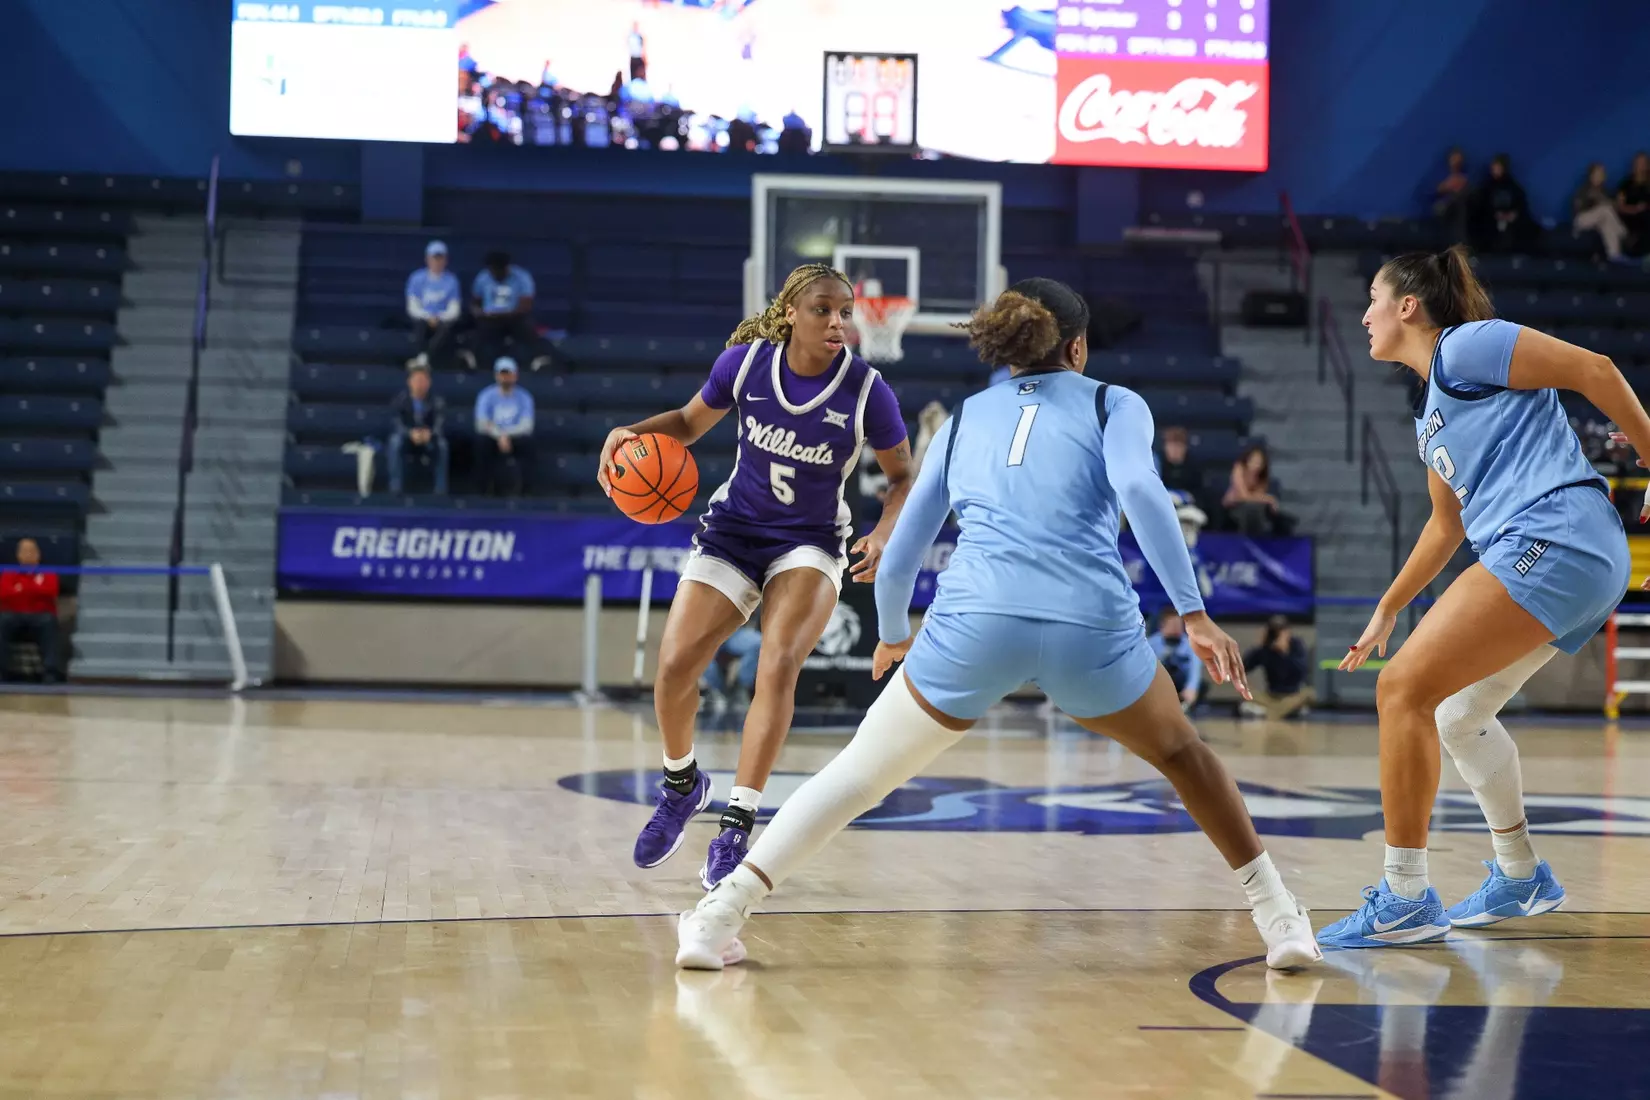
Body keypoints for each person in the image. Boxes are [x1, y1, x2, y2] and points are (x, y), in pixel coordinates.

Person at [674, 277, 1320, 972]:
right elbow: (1139, 489)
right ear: (1077, 346)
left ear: (1009, 346)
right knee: (1184, 755)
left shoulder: (962, 417)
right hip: (1089, 627)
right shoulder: (1114, 402)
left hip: (975, 624)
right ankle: (1279, 919)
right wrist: (1193, 612)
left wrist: (893, 632)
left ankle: (718, 919)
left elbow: (898, 557)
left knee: (858, 775)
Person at [1318, 244, 1645, 950]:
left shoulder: (1467, 346)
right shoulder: (1430, 411)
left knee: (1402, 690)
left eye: (1373, 298)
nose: (1364, 314)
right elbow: (1447, 525)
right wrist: (1390, 605)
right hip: (1562, 553)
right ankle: (1521, 874)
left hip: (1556, 534)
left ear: (1408, 305)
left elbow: (1598, 370)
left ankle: (1403, 895)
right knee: (1459, 716)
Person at [596, 263, 914, 890]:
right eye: (824, 309)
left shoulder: (867, 390)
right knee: (674, 666)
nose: (838, 322)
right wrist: (631, 433)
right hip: (735, 528)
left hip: (810, 541)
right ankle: (681, 785)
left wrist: (882, 532)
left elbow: (903, 478)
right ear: (792, 312)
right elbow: (689, 424)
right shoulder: (744, 364)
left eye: (846, 313)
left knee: (777, 663)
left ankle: (738, 821)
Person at [471, 251, 553, 372]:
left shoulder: (522, 277)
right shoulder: (483, 277)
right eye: (493, 270)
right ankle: (475, 362)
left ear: (506, 267)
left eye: (499, 270)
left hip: (514, 318)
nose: (495, 273)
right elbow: (475, 302)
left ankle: (540, 359)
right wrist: (479, 312)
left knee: (527, 327)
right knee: (478, 331)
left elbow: (526, 306)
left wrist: (503, 314)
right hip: (490, 320)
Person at [0, 538, 61, 683]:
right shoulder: (9, 573)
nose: (28, 554)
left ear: (38, 554)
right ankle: (1, 671)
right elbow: (3, 593)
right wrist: (35, 588)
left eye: (32, 551)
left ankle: (50, 672)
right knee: (2, 620)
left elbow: (51, 591)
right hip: (14, 614)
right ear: (18, 555)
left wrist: (21, 589)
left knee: (49, 621)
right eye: (24, 551)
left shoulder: (48, 573)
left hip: (39, 616)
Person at [475, 357, 536, 496]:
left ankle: (526, 492)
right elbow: (481, 423)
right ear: (496, 375)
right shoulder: (486, 396)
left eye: (508, 374)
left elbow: (527, 425)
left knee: (529, 443)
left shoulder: (524, 397)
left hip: (514, 437)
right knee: (481, 443)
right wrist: (499, 435)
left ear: (515, 375)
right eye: (502, 374)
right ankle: (483, 491)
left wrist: (506, 435)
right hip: (493, 437)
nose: (505, 377)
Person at [388, 365, 449, 495]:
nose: (419, 384)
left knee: (442, 445)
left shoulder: (437, 401)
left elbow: (440, 422)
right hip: (407, 438)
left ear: (429, 383)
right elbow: (396, 422)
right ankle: (395, 487)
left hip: (429, 439)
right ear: (409, 382)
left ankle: (440, 489)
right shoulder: (400, 400)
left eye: (423, 380)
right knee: (394, 442)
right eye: (416, 380)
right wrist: (409, 433)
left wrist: (430, 433)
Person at [405, 240, 466, 369]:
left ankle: (424, 359)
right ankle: (423, 357)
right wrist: (428, 317)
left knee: (445, 328)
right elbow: (413, 307)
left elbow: (454, 309)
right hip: (423, 318)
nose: (437, 262)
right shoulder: (416, 278)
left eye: (440, 258)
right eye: (434, 258)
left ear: (445, 260)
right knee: (420, 325)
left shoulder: (452, 281)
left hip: (443, 320)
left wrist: (439, 318)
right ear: (427, 259)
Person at [1241, 615, 1313, 720]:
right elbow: (1244, 667)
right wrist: (1260, 646)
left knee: (1309, 694)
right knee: (1247, 695)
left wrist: (1284, 652)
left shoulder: (1296, 645)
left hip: (1292, 696)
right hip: (1271, 696)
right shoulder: (1265, 649)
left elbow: (1302, 671)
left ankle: (1271, 712)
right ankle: (1281, 712)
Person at [1469, 155, 1536, 254]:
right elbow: (1482, 205)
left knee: (1528, 226)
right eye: (1494, 168)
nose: (1496, 171)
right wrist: (1495, 214)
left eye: (1498, 168)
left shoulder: (1513, 186)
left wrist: (1513, 214)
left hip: (1510, 218)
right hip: (1491, 218)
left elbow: (1520, 204)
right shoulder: (1486, 186)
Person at [1573, 162, 1632, 264]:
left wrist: (1617, 202)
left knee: (1607, 222)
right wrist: (1593, 200)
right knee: (1605, 209)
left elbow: (1613, 207)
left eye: (1602, 173)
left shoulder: (1605, 191)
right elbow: (1578, 208)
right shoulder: (1584, 189)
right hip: (1581, 221)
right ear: (1591, 176)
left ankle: (1614, 255)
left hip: (1598, 222)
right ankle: (1623, 234)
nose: (1601, 176)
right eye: (1598, 173)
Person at [1148, 608, 1202, 711]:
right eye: (1173, 625)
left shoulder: (1190, 644)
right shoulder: (1150, 643)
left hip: (1181, 684)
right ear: (1162, 626)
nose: (1176, 628)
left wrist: (1192, 688)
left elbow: (1195, 668)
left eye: (1179, 625)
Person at [1223, 444, 1283, 535]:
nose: (1256, 464)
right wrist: (1269, 499)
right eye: (1254, 460)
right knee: (1251, 509)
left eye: (1259, 462)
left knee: (1256, 509)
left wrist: (1263, 499)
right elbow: (1243, 496)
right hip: (1233, 505)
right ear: (1247, 460)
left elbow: (1258, 495)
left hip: (1253, 507)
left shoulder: (1262, 476)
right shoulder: (1239, 468)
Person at [1433, 147, 1471, 243]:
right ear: (1449, 160)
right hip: (1443, 205)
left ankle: (1461, 245)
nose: (1456, 162)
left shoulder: (1465, 176)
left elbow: (1466, 191)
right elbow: (1437, 189)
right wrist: (1447, 186)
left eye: (1459, 160)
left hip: (1459, 205)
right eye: (1454, 159)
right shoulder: (1441, 174)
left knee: (1460, 204)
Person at [1617, 152, 1650, 258]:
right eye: (1639, 163)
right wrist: (1635, 209)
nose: (1641, 166)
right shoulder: (1625, 184)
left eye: (1644, 163)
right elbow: (1620, 206)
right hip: (1631, 217)